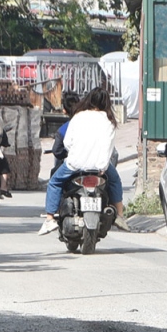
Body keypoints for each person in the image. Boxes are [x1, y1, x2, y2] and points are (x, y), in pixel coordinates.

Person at [38, 87, 128, 234]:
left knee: (54, 182)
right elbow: (109, 147)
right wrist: (103, 164)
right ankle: (120, 215)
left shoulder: (78, 117)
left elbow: (67, 142)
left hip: (75, 164)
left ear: (89, 99)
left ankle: (49, 219)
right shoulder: (109, 120)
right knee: (115, 181)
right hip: (100, 166)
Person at [49, 90, 82, 175]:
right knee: (113, 182)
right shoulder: (91, 124)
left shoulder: (63, 129)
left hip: (73, 165)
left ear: (64, 110)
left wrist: (66, 153)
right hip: (95, 166)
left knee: (54, 181)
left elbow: (56, 151)